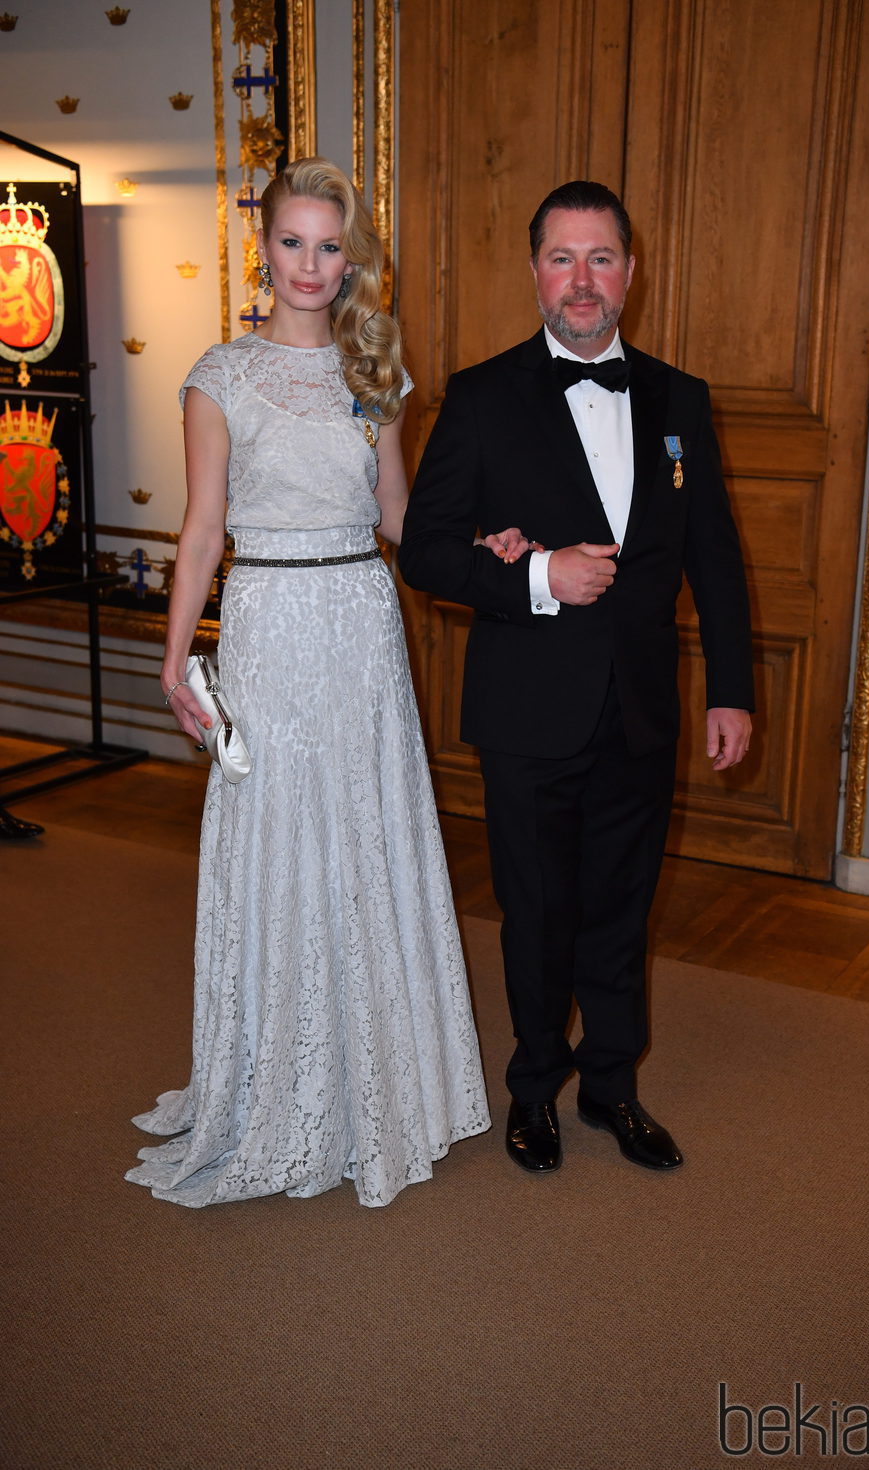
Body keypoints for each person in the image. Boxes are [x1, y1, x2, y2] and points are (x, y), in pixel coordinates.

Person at [126, 158, 492, 1208]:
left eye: (329, 247)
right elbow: (199, 534)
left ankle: (379, 1075)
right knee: (280, 837)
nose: (309, 265)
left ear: (350, 259)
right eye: (292, 242)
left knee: (365, 833)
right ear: (265, 248)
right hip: (269, 625)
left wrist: (484, 543)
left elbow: (395, 518)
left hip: (360, 623)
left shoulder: (376, 375)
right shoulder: (219, 376)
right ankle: (275, 1081)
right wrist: (172, 657)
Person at [399, 180, 754, 1176]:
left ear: (629, 274)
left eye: (600, 258)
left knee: (619, 906)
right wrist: (535, 575)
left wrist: (730, 687)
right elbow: (426, 551)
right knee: (538, 912)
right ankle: (530, 1091)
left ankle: (610, 1087)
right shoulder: (478, 396)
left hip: (640, 709)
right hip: (525, 709)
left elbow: (714, 559)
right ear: (533, 273)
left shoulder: (681, 400)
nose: (581, 280)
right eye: (561, 258)